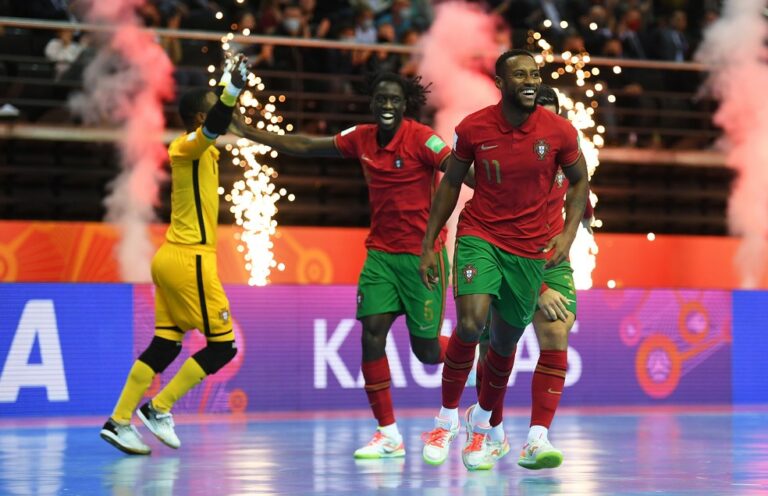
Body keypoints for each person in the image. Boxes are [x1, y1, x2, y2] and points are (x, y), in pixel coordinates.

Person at [230, 71, 452, 460]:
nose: (387, 106)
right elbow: (304, 144)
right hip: (381, 255)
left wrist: (437, 239)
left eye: (394, 101)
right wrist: (251, 133)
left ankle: (478, 346)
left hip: (423, 258)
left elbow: (457, 169)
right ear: (372, 103)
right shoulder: (361, 138)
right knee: (371, 334)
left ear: (405, 106)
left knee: (428, 354)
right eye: (381, 99)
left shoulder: (422, 139)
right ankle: (388, 434)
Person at [418, 50, 589, 471]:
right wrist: (428, 244)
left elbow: (582, 181)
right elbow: (450, 184)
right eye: (520, 74)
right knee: (472, 322)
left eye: (535, 73)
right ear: (500, 81)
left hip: (532, 253)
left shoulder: (561, 134)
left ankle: (484, 421)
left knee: (503, 343)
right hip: (481, 236)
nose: (530, 80)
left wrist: (567, 236)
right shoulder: (474, 128)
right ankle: (445, 419)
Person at [100, 56, 251, 455]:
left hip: (170, 258)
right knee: (223, 347)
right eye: (217, 106)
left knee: (165, 345)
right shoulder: (187, 146)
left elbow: (216, 126)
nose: (227, 115)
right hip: (190, 261)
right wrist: (232, 92)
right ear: (203, 116)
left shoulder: (203, 151)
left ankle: (118, 421)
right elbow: (215, 126)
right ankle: (158, 407)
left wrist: (228, 92)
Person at [475, 85, 594, 470]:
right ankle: (491, 432)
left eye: (552, 115)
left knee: (557, 329)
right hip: (507, 256)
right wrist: (536, 287)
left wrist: (571, 235)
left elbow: (581, 201)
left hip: (551, 260)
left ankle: (537, 439)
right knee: (493, 348)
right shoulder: (513, 164)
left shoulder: (569, 158)